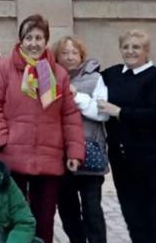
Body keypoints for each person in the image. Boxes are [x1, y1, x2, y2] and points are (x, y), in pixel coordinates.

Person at [0, 14, 85, 243]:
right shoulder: (5, 69)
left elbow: (69, 115)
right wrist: (1, 140)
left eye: (39, 38)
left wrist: (75, 152)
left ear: (46, 41)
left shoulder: (57, 73)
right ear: (21, 40)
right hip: (12, 158)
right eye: (29, 37)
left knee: (44, 220)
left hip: (47, 159)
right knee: (12, 218)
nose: (34, 43)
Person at [98, 30, 156, 243]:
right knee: (133, 217)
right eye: (126, 47)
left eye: (136, 47)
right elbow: (86, 74)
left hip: (153, 160)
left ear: (146, 51)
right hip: (122, 160)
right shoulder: (113, 74)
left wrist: (120, 112)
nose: (130, 51)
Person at [54, 36, 109, 243]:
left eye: (74, 53)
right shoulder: (50, 80)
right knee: (68, 210)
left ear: (82, 55)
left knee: (92, 209)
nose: (70, 57)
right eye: (64, 53)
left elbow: (102, 113)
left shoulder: (95, 79)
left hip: (90, 153)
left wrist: (76, 97)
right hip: (61, 155)